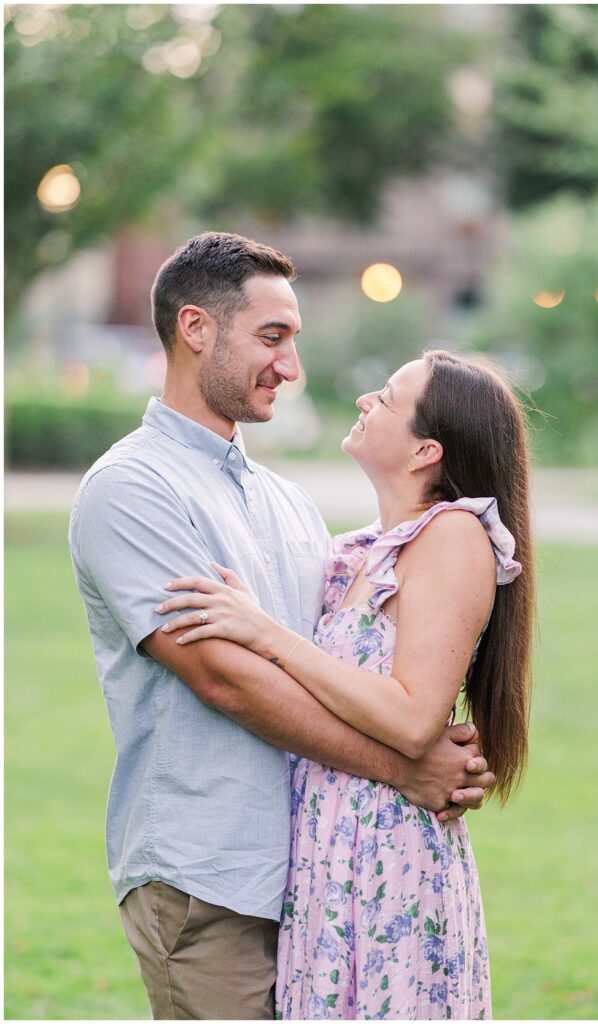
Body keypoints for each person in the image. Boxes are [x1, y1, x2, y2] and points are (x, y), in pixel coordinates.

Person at [69, 232, 495, 1021]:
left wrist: (441, 742)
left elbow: (349, 663)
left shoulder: (288, 502)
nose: (291, 368)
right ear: (196, 328)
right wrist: (404, 766)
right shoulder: (131, 489)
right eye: (272, 338)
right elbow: (225, 678)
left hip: (322, 876)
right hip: (210, 875)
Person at [156, 350, 534, 1020]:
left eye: (386, 397)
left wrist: (266, 634)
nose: (365, 399)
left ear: (425, 449)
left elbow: (414, 717)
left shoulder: (451, 537)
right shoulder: (360, 550)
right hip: (328, 851)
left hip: (387, 854)